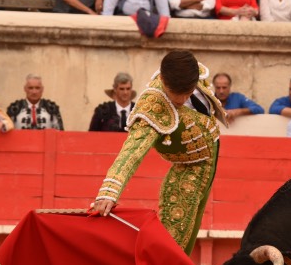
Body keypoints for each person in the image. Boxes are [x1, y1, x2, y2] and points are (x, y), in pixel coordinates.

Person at [91, 51, 227, 254]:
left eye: (187, 92)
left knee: (187, 235)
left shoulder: (193, 72)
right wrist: (108, 193)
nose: (181, 99)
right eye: (175, 93)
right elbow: (131, 152)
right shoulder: (152, 107)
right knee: (174, 242)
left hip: (208, 160)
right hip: (190, 168)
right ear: (163, 80)